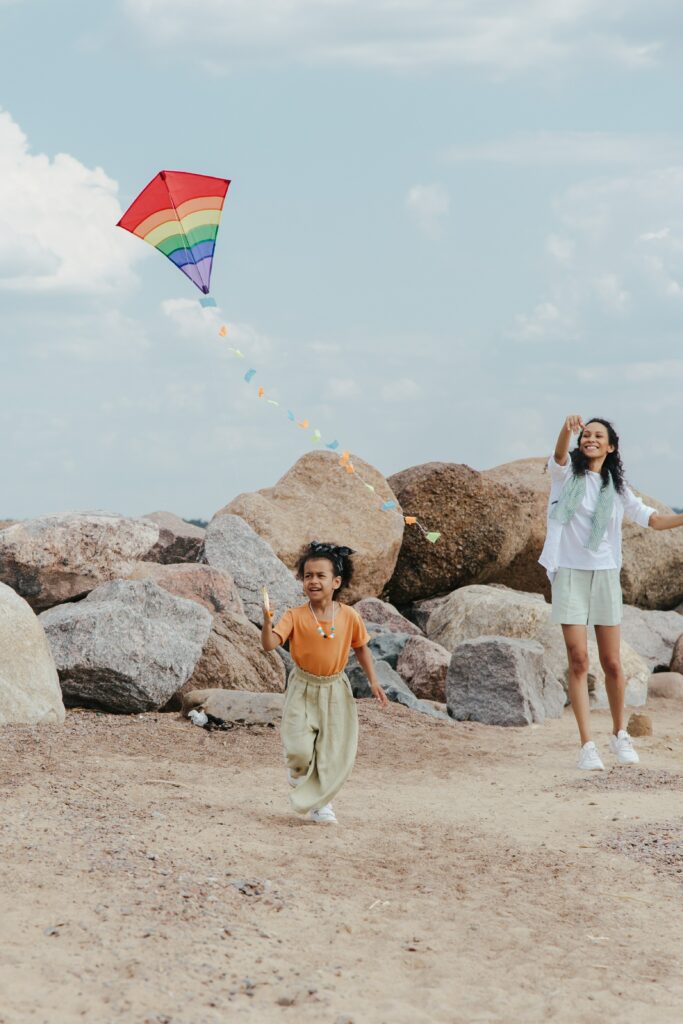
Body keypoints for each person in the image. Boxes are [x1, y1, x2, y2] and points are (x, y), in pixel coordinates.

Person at [539, 415, 683, 771]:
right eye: (586, 435)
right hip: (569, 573)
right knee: (578, 660)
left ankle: (620, 733)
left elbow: (653, 519)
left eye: (597, 435)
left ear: (610, 446)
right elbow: (558, 455)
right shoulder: (565, 476)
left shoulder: (617, 489)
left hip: (604, 574)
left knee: (613, 664)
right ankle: (587, 744)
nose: (589, 439)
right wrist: (566, 430)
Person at [261, 541, 388, 824]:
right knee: (299, 748)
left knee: (329, 751)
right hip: (302, 687)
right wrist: (267, 622)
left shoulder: (349, 616)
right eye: (308, 576)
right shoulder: (295, 615)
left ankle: (323, 804)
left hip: (335, 689)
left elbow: (361, 649)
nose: (313, 581)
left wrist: (374, 681)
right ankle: (298, 774)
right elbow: (270, 644)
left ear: (336, 581)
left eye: (320, 576)